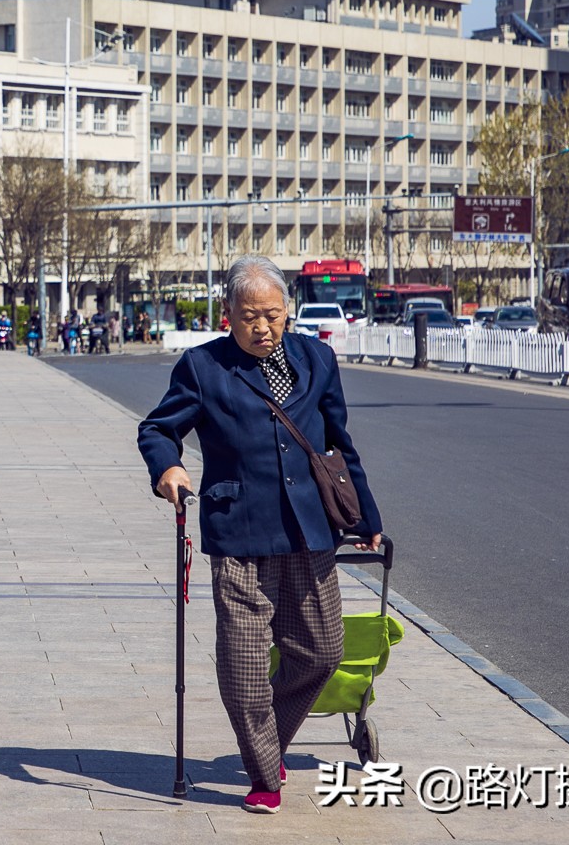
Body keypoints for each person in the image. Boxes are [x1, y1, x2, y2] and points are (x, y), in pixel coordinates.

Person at [137, 255, 384, 815]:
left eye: (272, 315)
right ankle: (264, 772)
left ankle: (267, 739)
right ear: (228, 313)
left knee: (322, 651)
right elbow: (157, 427)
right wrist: (167, 466)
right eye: (249, 316)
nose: (262, 327)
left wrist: (365, 518)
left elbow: (338, 444)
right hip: (240, 533)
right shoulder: (202, 367)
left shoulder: (317, 359)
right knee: (245, 665)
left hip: (308, 530)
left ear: (287, 310)